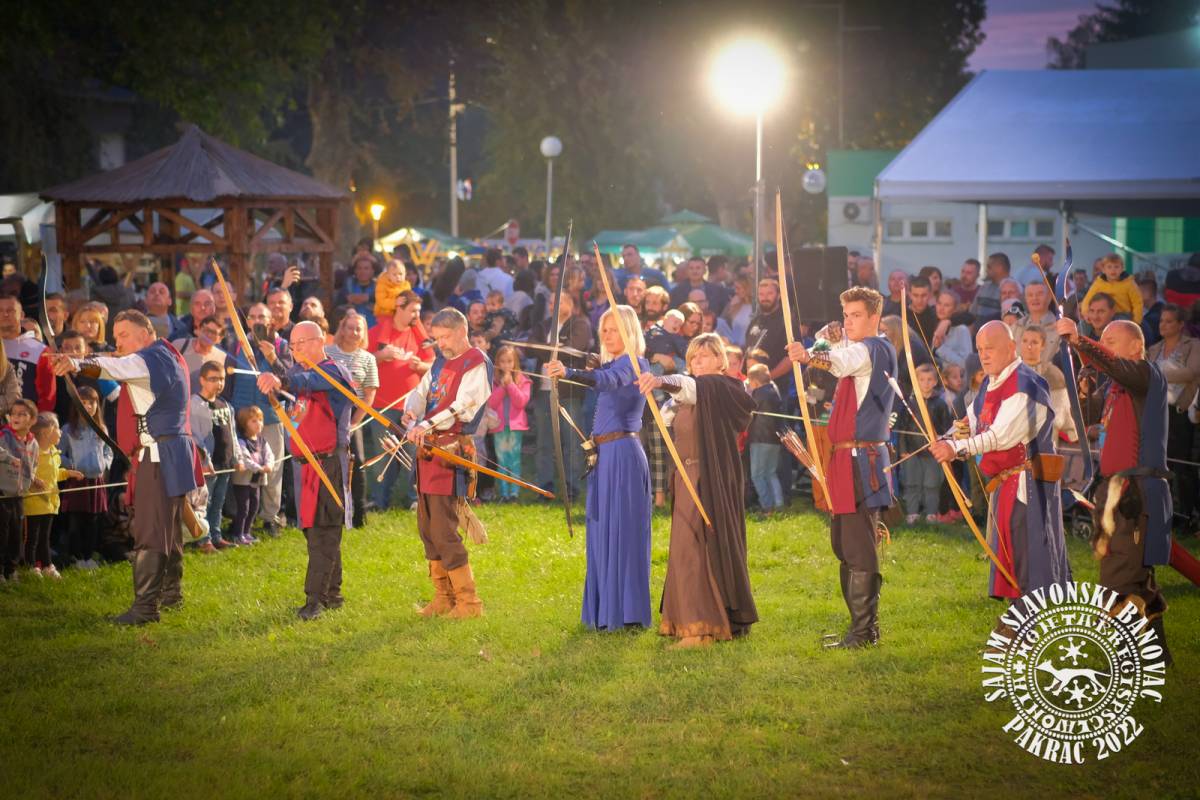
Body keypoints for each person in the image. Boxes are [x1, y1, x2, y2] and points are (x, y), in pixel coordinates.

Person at [50, 309, 203, 624]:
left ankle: (146, 608)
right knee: (169, 529)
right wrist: (80, 359)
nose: (117, 342)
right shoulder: (164, 355)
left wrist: (76, 363)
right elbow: (116, 360)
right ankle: (171, 595)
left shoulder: (149, 359)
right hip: (172, 452)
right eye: (115, 336)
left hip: (160, 455)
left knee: (150, 531)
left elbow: (116, 365)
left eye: (123, 335)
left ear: (144, 334)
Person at [1055, 315, 1173, 663]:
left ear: (1136, 346)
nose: (1105, 346)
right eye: (1102, 340)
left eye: (1112, 341)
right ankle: (1155, 657)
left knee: (1120, 576)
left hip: (1136, 490)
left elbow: (1115, 365)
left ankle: (1126, 659)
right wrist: (1084, 384)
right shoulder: (1117, 388)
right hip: (1116, 490)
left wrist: (1081, 341)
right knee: (1136, 578)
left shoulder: (1146, 375)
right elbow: (1085, 413)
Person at [932, 322, 1069, 608]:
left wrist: (955, 449)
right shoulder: (990, 382)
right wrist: (947, 437)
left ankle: (1027, 622)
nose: (983, 355)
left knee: (1028, 557)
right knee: (1011, 555)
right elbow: (972, 421)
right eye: (980, 349)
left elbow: (999, 436)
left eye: (990, 348)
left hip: (1029, 485)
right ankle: (1017, 617)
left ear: (1010, 347)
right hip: (1007, 483)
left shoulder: (1025, 385)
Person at [787, 287, 895, 648]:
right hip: (847, 459)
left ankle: (865, 633)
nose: (848, 322)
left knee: (859, 548)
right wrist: (824, 342)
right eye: (846, 315)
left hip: (862, 462)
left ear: (875, 317)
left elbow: (843, 360)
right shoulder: (861, 349)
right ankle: (858, 629)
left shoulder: (873, 349)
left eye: (856, 315)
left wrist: (808, 354)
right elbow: (841, 354)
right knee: (844, 545)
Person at [636, 333, 756, 647]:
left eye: (703, 355)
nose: (696, 361)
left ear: (720, 360)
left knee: (699, 549)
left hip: (710, 478)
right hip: (686, 478)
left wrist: (660, 380)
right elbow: (672, 409)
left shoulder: (723, 387)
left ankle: (703, 628)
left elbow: (687, 386)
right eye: (692, 357)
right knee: (685, 549)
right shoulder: (692, 394)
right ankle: (688, 623)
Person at [547, 305, 651, 630]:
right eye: (604, 330)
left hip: (623, 456)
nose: (607, 335)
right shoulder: (615, 364)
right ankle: (605, 610)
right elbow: (604, 375)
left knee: (622, 531)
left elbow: (608, 380)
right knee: (602, 529)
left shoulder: (635, 364)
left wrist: (570, 372)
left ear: (630, 331)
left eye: (614, 329)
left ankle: (626, 613)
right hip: (605, 455)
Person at [256, 321, 354, 620]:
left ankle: (315, 601)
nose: (296, 349)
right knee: (315, 531)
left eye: (301, 343)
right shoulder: (300, 374)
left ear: (319, 341)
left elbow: (308, 380)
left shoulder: (334, 371)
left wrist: (281, 380)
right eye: (293, 345)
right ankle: (332, 594)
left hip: (328, 462)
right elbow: (294, 383)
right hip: (305, 465)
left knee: (324, 531)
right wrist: (275, 382)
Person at [400, 308, 491, 620]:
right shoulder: (440, 360)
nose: (440, 344)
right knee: (427, 527)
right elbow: (421, 391)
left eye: (445, 337)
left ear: (462, 331)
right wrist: (412, 412)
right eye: (437, 338)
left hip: (451, 451)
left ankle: (469, 603)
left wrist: (426, 425)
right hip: (428, 450)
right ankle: (443, 597)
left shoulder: (475, 361)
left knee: (443, 528)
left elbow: (464, 406)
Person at [1145, 304, 1200, 534]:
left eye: (1169, 321)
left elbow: (1191, 373)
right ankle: (1166, 515)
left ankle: (1189, 516)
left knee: (1182, 466)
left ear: (1180, 324)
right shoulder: (1154, 348)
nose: (1163, 325)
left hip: (1179, 413)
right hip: (1157, 413)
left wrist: (1158, 374)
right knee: (1160, 465)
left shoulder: (1193, 345)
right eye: (1161, 321)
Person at [327, 312, 379, 528]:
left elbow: (369, 394)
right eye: (350, 328)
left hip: (352, 416)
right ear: (342, 329)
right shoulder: (328, 352)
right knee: (329, 463)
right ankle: (331, 511)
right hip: (328, 414)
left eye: (359, 329)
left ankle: (358, 513)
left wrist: (355, 422)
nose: (354, 332)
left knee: (356, 463)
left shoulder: (368, 358)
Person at [59, 385, 112, 568]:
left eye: (92, 402)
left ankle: (89, 557)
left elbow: (109, 451)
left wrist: (104, 465)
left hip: (96, 481)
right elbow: (58, 454)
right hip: (77, 481)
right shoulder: (68, 430)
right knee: (75, 521)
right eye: (83, 402)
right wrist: (71, 466)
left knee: (93, 520)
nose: (88, 406)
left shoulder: (101, 428)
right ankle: (76, 557)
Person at [24, 413, 82, 578]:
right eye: (57, 428)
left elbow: (54, 474)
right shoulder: (32, 453)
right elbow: (24, 472)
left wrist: (68, 473)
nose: (61, 432)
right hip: (34, 503)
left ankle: (47, 565)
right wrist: (33, 479)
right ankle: (31, 566)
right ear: (46, 432)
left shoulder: (54, 453)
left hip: (50, 503)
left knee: (44, 537)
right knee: (33, 537)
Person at [189, 361, 237, 550]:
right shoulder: (194, 404)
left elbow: (232, 433)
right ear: (202, 380)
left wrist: (236, 457)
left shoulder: (225, 404)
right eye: (213, 379)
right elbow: (195, 436)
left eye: (222, 379)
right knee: (204, 503)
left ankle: (216, 535)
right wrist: (204, 460)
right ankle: (203, 538)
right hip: (208, 464)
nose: (219, 383)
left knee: (218, 502)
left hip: (225, 462)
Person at [902, 364, 954, 524]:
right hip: (912, 451)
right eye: (922, 379)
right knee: (912, 483)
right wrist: (903, 450)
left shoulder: (940, 404)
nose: (926, 383)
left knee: (932, 484)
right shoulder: (909, 403)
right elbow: (903, 429)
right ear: (916, 381)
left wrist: (943, 442)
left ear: (935, 382)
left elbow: (947, 429)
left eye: (930, 379)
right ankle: (912, 513)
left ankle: (931, 513)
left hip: (933, 452)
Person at [486, 345, 531, 503]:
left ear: (515, 362)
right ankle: (504, 493)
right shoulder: (493, 381)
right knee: (502, 460)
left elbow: (521, 402)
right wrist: (502, 387)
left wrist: (510, 385)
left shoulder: (523, 380)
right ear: (497, 362)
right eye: (503, 361)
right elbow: (491, 403)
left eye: (509, 361)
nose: (506, 365)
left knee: (514, 459)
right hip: (499, 426)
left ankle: (514, 493)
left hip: (515, 427)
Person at [0, 399, 37, 583]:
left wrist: (32, 479)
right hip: (3, 494)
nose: (16, 417)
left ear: (32, 420)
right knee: (2, 533)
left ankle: (11, 569)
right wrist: (9, 458)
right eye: (14, 413)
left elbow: (34, 464)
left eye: (22, 414)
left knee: (17, 533)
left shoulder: (33, 442)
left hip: (19, 495)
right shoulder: (4, 435)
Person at [230, 406, 274, 546]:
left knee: (254, 506)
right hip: (243, 481)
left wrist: (269, 465)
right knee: (244, 508)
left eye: (260, 420)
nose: (258, 424)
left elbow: (270, 455)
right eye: (254, 421)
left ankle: (247, 532)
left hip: (256, 481)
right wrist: (260, 468)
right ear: (244, 424)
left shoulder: (262, 441)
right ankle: (238, 534)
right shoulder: (241, 441)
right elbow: (245, 458)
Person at [745, 363, 784, 515]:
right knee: (771, 473)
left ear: (754, 382)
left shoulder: (758, 393)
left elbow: (749, 414)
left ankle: (767, 507)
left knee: (757, 475)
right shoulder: (774, 391)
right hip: (774, 439)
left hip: (760, 438)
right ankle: (779, 505)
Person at [1082, 253, 1142, 324]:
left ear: (1122, 269)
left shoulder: (1129, 283)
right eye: (1109, 267)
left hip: (1122, 314)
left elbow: (1137, 303)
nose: (1113, 270)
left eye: (1116, 267)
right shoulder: (1098, 283)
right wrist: (1086, 313)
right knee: (1084, 324)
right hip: (1102, 313)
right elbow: (1087, 299)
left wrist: (1136, 321)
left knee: (1118, 324)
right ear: (1103, 269)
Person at [969, 253, 1012, 326]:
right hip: (979, 332)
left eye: (989, 267)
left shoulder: (1014, 289)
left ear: (999, 268)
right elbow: (972, 313)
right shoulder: (984, 287)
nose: (986, 270)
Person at [373, 258, 413, 323]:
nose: (398, 277)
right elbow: (381, 301)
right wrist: (394, 303)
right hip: (384, 315)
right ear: (388, 275)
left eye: (400, 274)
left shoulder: (406, 285)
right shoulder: (382, 284)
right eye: (394, 274)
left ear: (405, 274)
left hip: (400, 315)